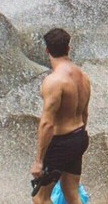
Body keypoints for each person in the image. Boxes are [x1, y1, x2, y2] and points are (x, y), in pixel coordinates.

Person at [31, 28, 92, 204]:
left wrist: (39, 161)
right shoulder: (83, 76)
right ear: (69, 48)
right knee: (71, 192)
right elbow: (85, 113)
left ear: (47, 50)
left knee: (40, 198)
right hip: (79, 137)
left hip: (61, 143)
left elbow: (47, 124)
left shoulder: (54, 81)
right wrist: (76, 141)